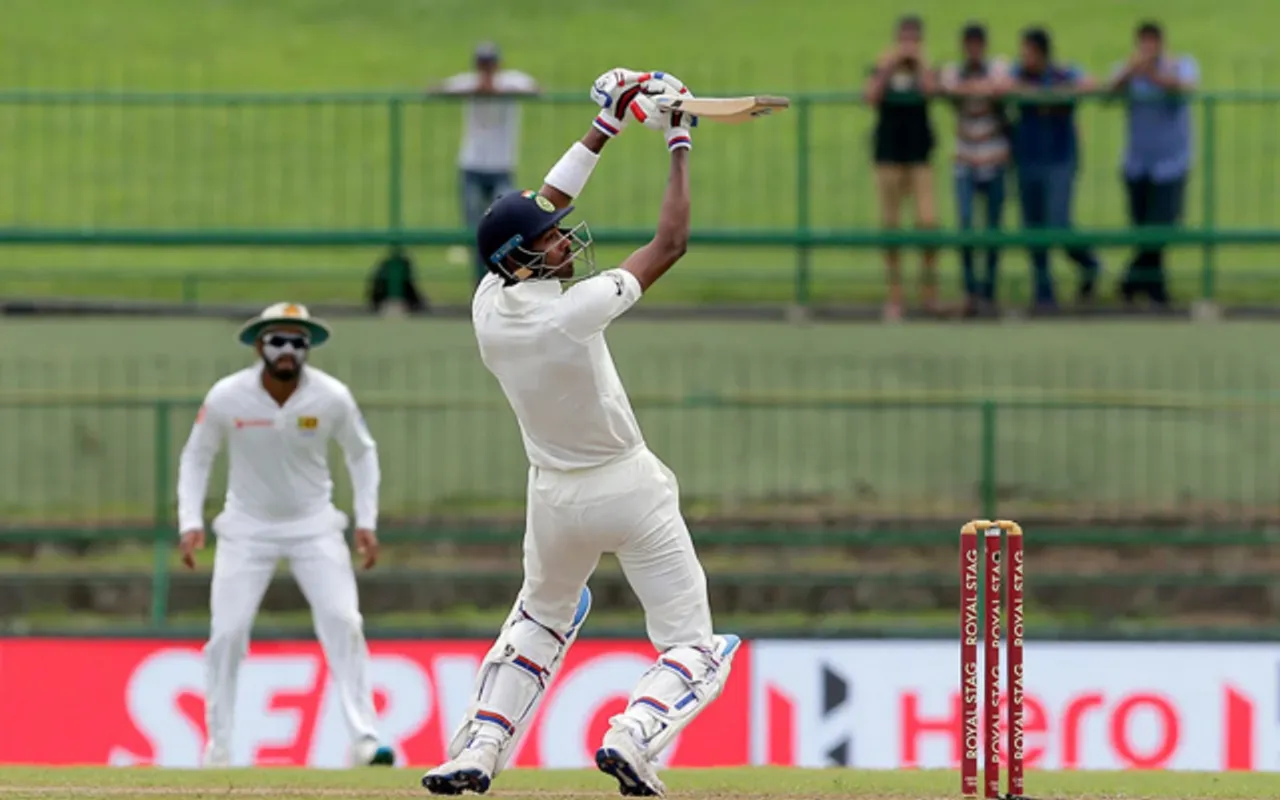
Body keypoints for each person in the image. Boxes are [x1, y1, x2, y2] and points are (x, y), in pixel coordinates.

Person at [420, 69, 740, 798]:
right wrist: (678, 138)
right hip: (627, 486)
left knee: (538, 620)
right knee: (694, 645)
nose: (564, 240)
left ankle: (477, 749)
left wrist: (608, 122)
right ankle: (634, 733)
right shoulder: (574, 311)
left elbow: (543, 200)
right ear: (525, 259)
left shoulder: (487, 304)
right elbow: (672, 242)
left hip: (552, 497)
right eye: (552, 242)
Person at [176, 302, 393, 769]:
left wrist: (367, 521)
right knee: (227, 633)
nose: (288, 350)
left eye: (298, 342)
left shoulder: (331, 397)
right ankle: (218, 747)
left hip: (315, 526)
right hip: (245, 529)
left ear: (308, 348)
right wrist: (190, 522)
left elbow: (362, 453)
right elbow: (196, 457)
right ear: (259, 346)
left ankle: (365, 740)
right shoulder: (227, 396)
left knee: (344, 622)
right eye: (278, 340)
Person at [428, 42, 541, 286]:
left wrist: (499, 91)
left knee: (504, 227)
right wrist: (474, 91)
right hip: (472, 164)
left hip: (501, 165)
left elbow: (535, 89)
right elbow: (436, 89)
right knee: (475, 229)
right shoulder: (469, 82)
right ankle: (480, 282)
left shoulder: (511, 82)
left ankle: (503, 278)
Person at [1007, 27, 1103, 310]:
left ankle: (1089, 263)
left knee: (1058, 222)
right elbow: (999, 84)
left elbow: (1091, 84)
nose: (1023, 57)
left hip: (1060, 158)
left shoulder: (1062, 73)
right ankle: (1043, 290)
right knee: (1032, 226)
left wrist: (1051, 94)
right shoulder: (1017, 74)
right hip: (1027, 159)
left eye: (1028, 51)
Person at [1107, 20, 1199, 307]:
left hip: (1171, 162)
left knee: (1162, 226)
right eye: (1142, 43)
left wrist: (1153, 75)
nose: (1147, 49)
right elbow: (1109, 92)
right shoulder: (1129, 70)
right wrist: (1131, 71)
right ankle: (1154, 290)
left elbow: (1184, 87)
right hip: (1138, 163)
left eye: (1152, 42)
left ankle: (1132, 282)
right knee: (1142, 228)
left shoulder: (1180, 64)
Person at [865, 14, 940, 320]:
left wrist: (920, 63)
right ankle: (894, 296)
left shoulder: (925, 67)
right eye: (904, 40)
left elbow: (933, 92)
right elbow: (870, 96)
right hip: (888, 155)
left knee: (928, 222)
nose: (908, 46)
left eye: (914, 40)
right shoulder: (885, 65)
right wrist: (888, 66)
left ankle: (929, 293)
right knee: (891, 226)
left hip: (919, 155)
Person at [938, 23, 1012, 314]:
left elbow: (1001, 86)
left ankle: (989, 292)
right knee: (966, 225)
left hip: (994, 158)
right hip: (965, 160)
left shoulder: (997, 66)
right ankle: (970, 291)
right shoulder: (955, 70)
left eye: (977, 44)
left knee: (993, 228)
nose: (973, 50)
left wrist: (970, 89)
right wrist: (977, 89)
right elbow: (944, 86)